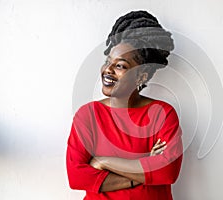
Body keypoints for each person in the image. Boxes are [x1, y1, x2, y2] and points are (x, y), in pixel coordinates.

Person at [66, 10, 183, 200]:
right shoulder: (88, 115)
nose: (108, 70)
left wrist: (103, 162)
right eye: (108, 62)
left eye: (120, 66)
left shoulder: (162, 114)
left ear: (141, 76)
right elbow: (77, 177)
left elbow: (167, 172)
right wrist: (145, 168)